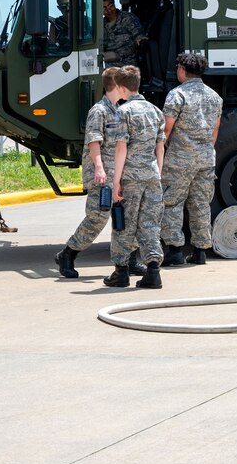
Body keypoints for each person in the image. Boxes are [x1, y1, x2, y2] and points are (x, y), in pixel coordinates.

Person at [54, 67, 145, 279]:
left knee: (127, 218)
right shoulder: (99, 111)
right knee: (98, 216)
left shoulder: (120, 110)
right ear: (116, 85)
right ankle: (68, 254)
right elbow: (94, 141)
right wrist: (99, 168)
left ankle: (130, 259)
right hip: (102, 175)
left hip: (120, 175)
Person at [104, 66, 166, 289]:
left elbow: (121, 149)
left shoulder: (124, 112)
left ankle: (121, 272)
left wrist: (116, 181)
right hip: (151, 175)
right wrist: (157, 174)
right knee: (150, 223)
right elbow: (160, 149)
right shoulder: (155, 111)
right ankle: (153, 271)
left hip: (130, 175)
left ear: (122, 88)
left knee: (124, 223)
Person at [160, 53, 223, 266]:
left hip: (179, 159)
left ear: (182, 70)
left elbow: (166, 128)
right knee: (201, 204)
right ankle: (200, 252)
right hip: (206, 159)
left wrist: (159, 155)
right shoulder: (215, 96)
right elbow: (215, 130)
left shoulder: (176, 95)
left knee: (172, 203)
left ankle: (175, 251)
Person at [102, 0, 147, 68]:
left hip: (127, 63)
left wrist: (141, 40)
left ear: (114, 3)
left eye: (111, 6)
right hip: (107, 59)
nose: (109, 10)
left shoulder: (128, 18)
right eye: (104, 8)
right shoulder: (101, 25)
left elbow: (139, 36)